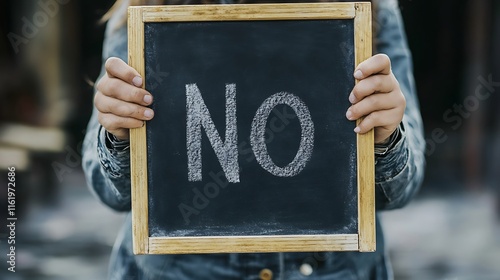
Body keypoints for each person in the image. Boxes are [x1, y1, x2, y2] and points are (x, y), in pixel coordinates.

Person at [82, 0, 425, 279]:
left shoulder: (372, 10)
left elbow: (401, 190)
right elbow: (112, 193)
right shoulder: (145, 10)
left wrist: (386, 138)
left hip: (333, 269)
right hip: (181, 271)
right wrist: (118, 134)